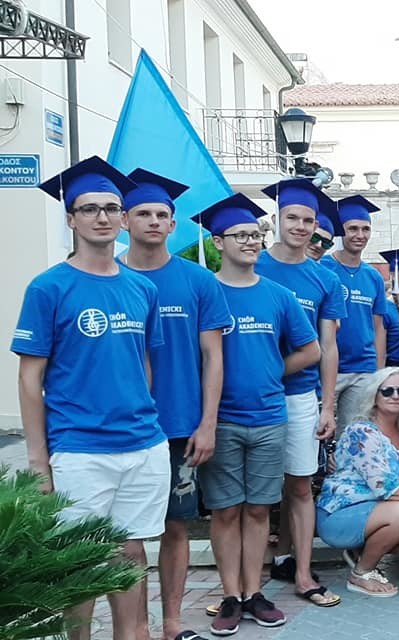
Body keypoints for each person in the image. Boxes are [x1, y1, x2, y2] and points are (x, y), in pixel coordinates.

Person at [17, 158, 166, 640]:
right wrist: (39, 462)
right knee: (79, 559)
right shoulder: (48, 288)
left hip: (143, 445)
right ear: (71, 218)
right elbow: (30, 378)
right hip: (80, 449)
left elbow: (145, 363)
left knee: (130, 551)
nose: (101, 217)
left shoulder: (142, 288)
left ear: (122, 217)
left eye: (110, 208)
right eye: (89, 209)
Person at [189, 193, 320, 633]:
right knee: (226, 511)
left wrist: (268, 371)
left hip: (268, 417)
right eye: (240, 235)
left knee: (261, 510)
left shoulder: (277, 295)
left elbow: (311, 350)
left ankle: (254, 592)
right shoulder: (205, 292)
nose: (250, 242)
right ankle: (231, 595)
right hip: (221, 419)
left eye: (255, 234)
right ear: (218, 241)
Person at [119, 169, 241, 636]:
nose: (153, 221)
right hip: (122, 427)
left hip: (179, 424)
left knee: (175, 526)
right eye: (143, 213)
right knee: (124, 536)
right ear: (126, 220)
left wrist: (207, 422)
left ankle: (171, 622)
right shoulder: (109, 277)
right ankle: (136, 626)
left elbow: (214, 357)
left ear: (173, 224)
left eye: (161, 215)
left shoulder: (198, 280)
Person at [258, 179, 348, 600]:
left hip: (299, 394)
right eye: (291, 217)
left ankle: (303, 573)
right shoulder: (253, 265)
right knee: (253, 494)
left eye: (307, 220)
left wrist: (327, 406)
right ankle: (245, 586)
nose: (299, 226)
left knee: (299, 484)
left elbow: (328, 347)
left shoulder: (323, 279)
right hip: (250, 397)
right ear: (277, 219)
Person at [316, 368, 399, 598]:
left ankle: (361, 552)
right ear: (374, 395)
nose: (395, 396)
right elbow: (385, 485)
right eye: (387, 391)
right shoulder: (362, 431)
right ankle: (362, 573)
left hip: (378, 511)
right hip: (339, 514)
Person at [320, 195, 389, 422]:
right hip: (327, 368)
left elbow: (378, 328)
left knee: (354, 433)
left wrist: (379, 372)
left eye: (365, 229)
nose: (360, 235)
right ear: (341, 231)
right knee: (319, 430)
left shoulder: (373, 277)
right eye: (353, 229)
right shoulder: (324, 267)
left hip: (363, 369)